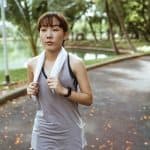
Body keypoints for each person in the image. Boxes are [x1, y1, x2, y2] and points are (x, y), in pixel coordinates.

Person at [27, 11, 93, 150]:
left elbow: (88, 99)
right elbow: (31, 92)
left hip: (69, 131)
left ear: (65, 34)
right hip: (42, 131)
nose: (48, 35)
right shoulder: (32, 64)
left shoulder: (75, 63)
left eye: (55, 29)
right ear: (39, 33)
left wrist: (64, 91)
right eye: (43, 30)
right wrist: (30, 90)